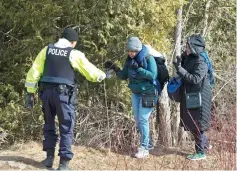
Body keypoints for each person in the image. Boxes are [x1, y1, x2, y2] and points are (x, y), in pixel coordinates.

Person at [25, 27, 106, 169]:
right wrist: (103, 75)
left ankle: (48, 159)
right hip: (63, 96)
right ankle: (63, 165)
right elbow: (90, 72)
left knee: (49, 125)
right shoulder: (73, 54)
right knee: (66, 128)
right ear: (73, 42)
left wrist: (30, 92)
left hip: (46, 94)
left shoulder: (46, 50)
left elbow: (34, 72)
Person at [104, 37, 158, 158]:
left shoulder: (149, 58)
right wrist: (115, 67)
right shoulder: (129, 60)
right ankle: (148, 144)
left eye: (133, 51)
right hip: (135, 93)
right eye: (129, 51)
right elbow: (124, 76)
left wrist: (138, 69)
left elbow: (153, 75)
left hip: (148, 93)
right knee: (138, 121)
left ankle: (144, 148)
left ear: (138, 50)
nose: (130, 53)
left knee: (143, 119)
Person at [173, 34, 213, 160]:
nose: (186, 48)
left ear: (195, 47)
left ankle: (200, 152)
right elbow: (186, 72)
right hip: (192, 96)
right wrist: (181, 62)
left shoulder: (202, 61)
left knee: (197, 125)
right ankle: (205, 145)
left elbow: (195, 79)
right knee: (193, 123)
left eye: (188, 46)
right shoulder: (190, 58)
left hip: (201, 97)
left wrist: (180, 69)